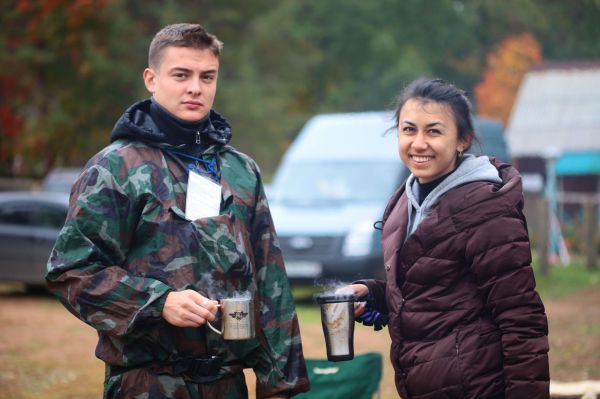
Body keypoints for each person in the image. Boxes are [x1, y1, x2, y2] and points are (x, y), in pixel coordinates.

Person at [46, 23, 309, 399]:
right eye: (181, 75)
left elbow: (271, 283)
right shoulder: (116, 169)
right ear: (151, 79)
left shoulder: (240, 170)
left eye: (207, 77)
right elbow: (70, 271)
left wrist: (281, 386)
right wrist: (158, 302)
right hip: (148, 383)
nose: (195, 88)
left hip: (228, 384)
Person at [341, 78, 549, 398]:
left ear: (463, 140)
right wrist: (374, 294)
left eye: (434, 131)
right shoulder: (405, 201)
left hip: (478, 388)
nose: (419, 143)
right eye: (409, 130)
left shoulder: (487, 208)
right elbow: (434, 291)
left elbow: (521, 318)